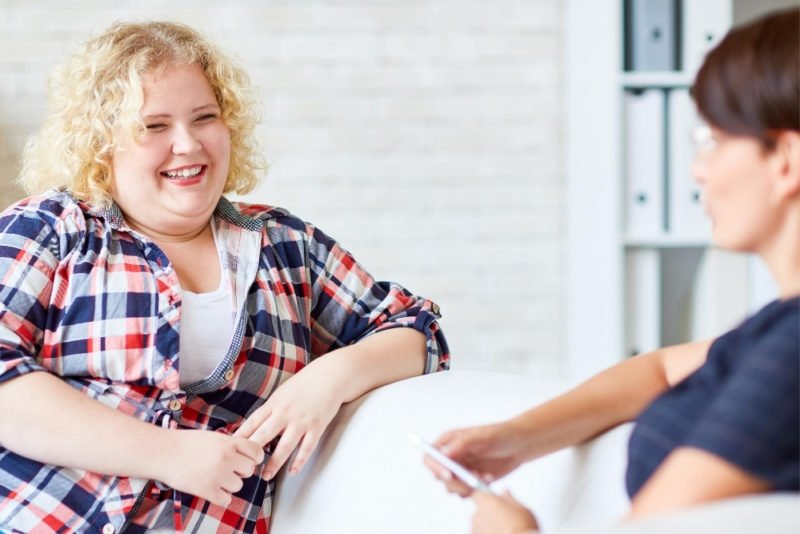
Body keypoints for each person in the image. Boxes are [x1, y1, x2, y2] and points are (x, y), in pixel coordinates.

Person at [0, 21, 449, 533]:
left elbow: (419, 333)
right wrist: (166, 454)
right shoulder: (51, 230)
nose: (188, 144)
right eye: (154, 126)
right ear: (102, 143)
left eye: (205, 118)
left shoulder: (286, 247)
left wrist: (327, 379)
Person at [424, 8, 799, 533]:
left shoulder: (791, 350)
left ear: (785, 160)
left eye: (713, 140)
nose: (698, 169)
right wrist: (513, 440)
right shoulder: (773, 330)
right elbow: (660, 370)